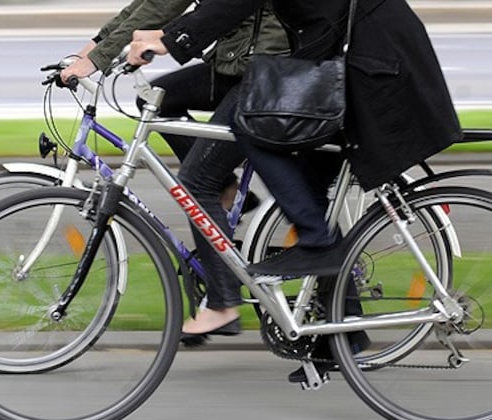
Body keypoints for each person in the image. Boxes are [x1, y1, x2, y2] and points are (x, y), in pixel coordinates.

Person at [128, 0, 462, 382]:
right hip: (343, 49)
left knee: (254, 123)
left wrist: (172, 39)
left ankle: (310, 245)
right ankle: (344, 332)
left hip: (367, 56)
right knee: (304, 169)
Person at [59, 1, 290, 344]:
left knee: (196, 183)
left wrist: (99, 59)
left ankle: (223, 302)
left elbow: (166, 6)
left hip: (266, 70)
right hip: (239, 62)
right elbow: (148, 4)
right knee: (158, 99)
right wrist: (91, 50)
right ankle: (225, 187)